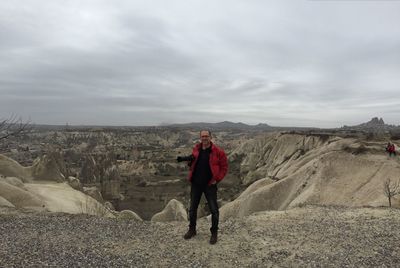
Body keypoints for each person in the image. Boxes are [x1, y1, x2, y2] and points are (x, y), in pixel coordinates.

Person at [179, 130, 228, 244]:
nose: (204, 138)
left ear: (211, 137)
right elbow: (193, 164)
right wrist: (190, 164)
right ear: (200, 138)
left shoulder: (218, 152)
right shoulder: (196, 149)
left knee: (214, 210)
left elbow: (224, 167)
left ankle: (214, 233)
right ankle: (192, 230)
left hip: (210, 185)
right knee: (192, 209)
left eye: (206, 136)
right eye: (203, 136)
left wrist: (217, 179)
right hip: (196, 184)